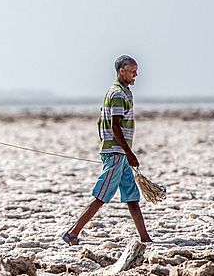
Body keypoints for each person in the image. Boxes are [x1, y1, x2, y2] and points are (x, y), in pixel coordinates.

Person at [62, 55, 151, 245]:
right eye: (132, 71)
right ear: (122, 71)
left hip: (119, 153)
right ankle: (72, 233)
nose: (136, 74)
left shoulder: (124, 92)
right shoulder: (117, 93)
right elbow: (115, 126)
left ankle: (145, 238)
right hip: (117, 154)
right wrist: (128, 152)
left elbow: (99, 121)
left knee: (132, 197)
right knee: (102, 196)